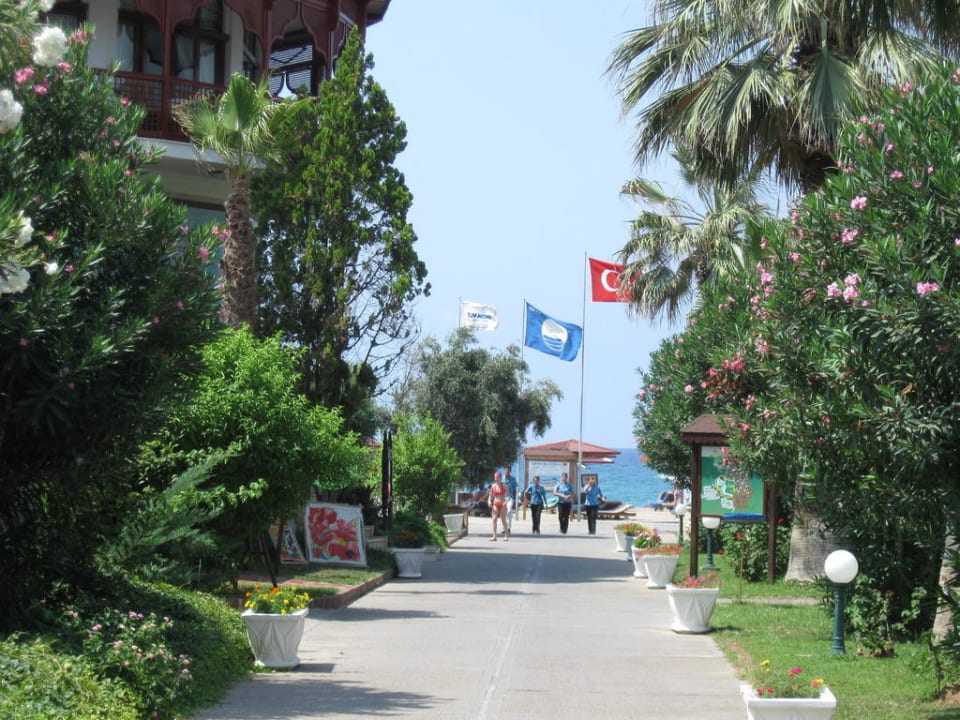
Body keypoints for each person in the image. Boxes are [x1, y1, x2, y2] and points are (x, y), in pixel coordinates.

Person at [488, 471, 509, 541]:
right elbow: (490, 495)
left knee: (503, 520)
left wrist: (506, 502)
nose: (496, 479)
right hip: (495, 504)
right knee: (494, 519)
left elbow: (508, 495)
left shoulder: (504, 485)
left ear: (500, 478)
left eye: (497, 477)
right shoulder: (493, 486)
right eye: (495, 477)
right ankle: (494, 536)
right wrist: (489, 501)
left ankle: (506, 535)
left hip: (503, 504)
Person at [503, 466, 518, 533]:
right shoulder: (502, 479)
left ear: (510, 471)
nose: (506, 472)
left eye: (508, 471)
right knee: (504, 513)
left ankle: (508, 528)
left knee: (509, 511)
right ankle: (504, 528)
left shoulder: (513, 479)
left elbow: (515, 489)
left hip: (510, 497)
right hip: (503, 498)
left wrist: (514, 500)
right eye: (505, 471)